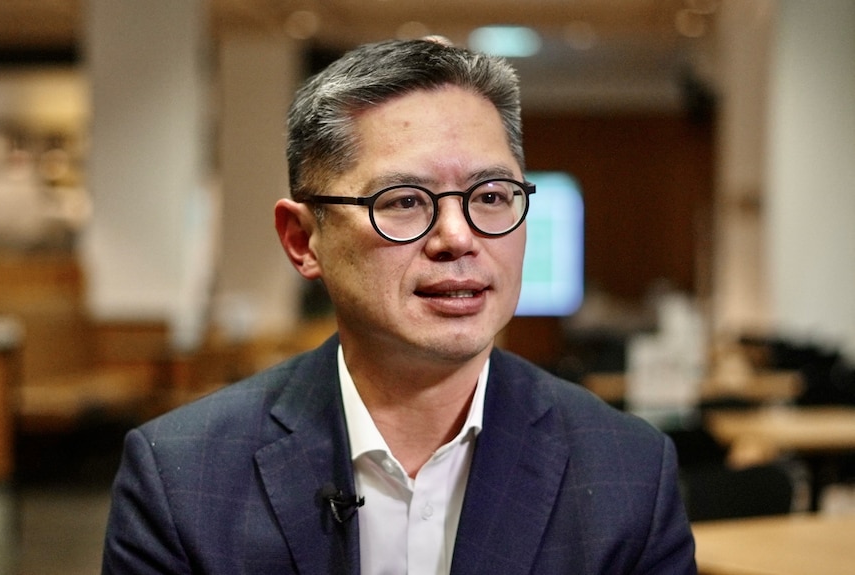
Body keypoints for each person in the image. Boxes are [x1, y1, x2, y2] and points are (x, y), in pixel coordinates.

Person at [102, 38, 697, 574]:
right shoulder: (182, 475)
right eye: (405, 201)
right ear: (303, 240)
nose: (458, 238)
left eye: (491, 196)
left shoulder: (628, 472)